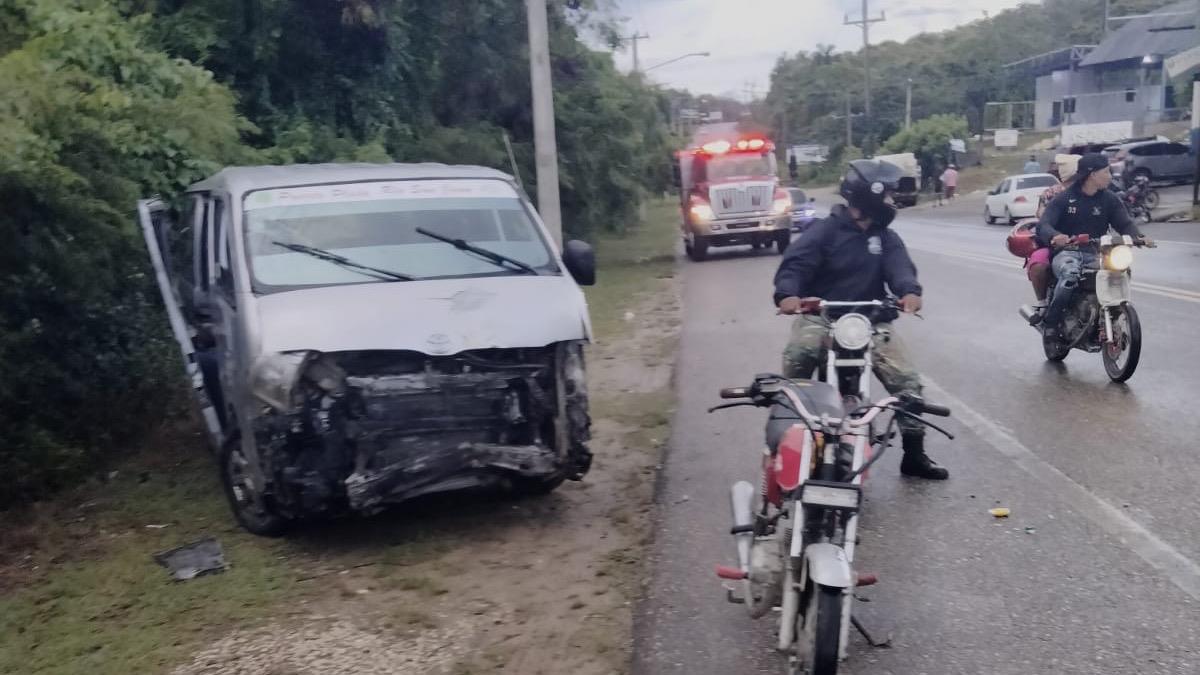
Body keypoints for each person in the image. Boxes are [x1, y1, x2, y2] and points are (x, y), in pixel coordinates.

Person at [773, 159, 948, 480]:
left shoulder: (886, 237)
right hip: (822, 317)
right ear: (869, 196)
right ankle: (787, 437)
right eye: (887, 195)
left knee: (907, 381)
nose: (891, 201)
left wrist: (909, 292)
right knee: (798, 357)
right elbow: (795, 266)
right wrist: (788, 294)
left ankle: (914, 455)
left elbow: (901, 269)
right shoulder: (823, 232)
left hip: (871, 321)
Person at [1036, 153, 1144, 338]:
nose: (1110, 176)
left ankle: (1107, 315)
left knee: (1121, 271)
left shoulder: (1110, 199)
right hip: (1068, 252)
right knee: (1070, 275)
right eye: (1106, 171)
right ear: (1092, 175)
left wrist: (1138, 237)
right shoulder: (1064, 198)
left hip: (1097, 253)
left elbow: (1124, 223)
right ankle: (1051, 323)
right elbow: (1043, 224)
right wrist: (1056, 236)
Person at [1015, 154, 1080, 324]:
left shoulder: (1097, 194)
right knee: (1038, 265)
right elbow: (1043, 220)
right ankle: (1043, 305)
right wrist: (1056, 235)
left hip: (1088, 245)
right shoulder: (1051, 194)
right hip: (1055, 245)